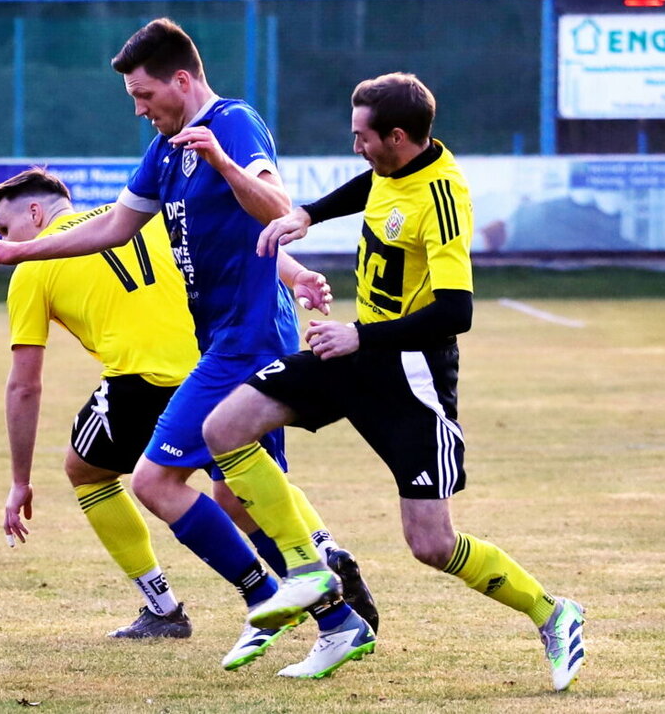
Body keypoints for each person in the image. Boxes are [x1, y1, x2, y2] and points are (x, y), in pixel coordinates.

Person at [0, 19, 377, 677]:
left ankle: (276, 598)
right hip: (220, 339)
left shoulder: (234, 123)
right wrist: (19, 249)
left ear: (181, 81)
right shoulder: (162, 152)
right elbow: (111, 227)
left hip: (247, 340)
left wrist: (221, 161)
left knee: (158, 478)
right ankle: (333, 609)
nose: (138, 107)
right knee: (238, 496)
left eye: (144, 94)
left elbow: (278, 208)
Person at [202, 72, 586, 691]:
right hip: (355, 355)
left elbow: (457, 312)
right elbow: (373, 184)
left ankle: (554, 613)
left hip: (412, 376)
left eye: (361, 136)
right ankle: (311, 574)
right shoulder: (396, 166)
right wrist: (307, 214)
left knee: (431, 544)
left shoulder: (442, 195)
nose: (355, 145)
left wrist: (361, 335)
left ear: (398, 136)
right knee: (224, 427)